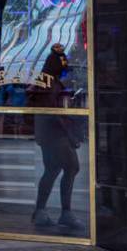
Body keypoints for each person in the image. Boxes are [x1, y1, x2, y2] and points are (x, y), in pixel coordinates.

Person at [28, 43, 82, 230]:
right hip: (55, 133)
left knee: (53, 170)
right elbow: (53, 112)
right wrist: (70, 133)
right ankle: (64, 213)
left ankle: (41, 211)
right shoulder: (49, 83)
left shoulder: (47, 81)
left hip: (49, 133)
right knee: (71, 167)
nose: (64, 67)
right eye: (62, 64)